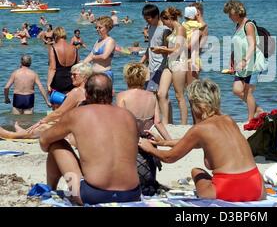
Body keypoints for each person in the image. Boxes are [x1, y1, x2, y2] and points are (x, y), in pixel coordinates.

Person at [138, 79, 266, 202]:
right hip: (258, 188)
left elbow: (169, 158)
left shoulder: (200, 129)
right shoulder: (228, 120)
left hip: (227, 190)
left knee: (196, 172)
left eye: (192, 104)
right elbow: (199, 143)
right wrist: (164, 143)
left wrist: (149, 148)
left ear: (198, 105)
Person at [39, 73, 141, 205]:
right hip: (132, 194)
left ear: (86, 94)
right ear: (112, 93)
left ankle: (51, 188)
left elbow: (44, 141)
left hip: (93, 195)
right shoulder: (129, 116)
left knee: (56, 142)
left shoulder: (78, 114)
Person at [0, 63, 92, 139]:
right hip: (81, 129)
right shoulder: (90, 91)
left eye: (74, 75)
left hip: (75, 132)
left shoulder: (76, 92)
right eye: (71, 74)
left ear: (84, 77)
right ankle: (24, 132)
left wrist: (40, 122)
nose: (71, 77)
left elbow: (59, 112)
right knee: (49, 124)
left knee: (43, 127)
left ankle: (12, 135)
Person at [223, 0, 267, 122]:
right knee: (237, 90)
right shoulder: (238, 26)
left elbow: (252, 45)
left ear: (237, 12)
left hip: (252, 63)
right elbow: (237, 45)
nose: (229, 17)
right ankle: (258, 110)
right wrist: (231, 61)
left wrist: (244, 60)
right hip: (241, 65)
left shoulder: (248, 25)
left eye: (230, 14)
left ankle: (250, 119)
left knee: (247, 93)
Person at [152, 7, 188, 125]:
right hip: (169, 63)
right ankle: (166, 122)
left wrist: (162, 50)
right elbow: (171, 49)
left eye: (164, 21)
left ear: (169, 19)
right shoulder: (172, 30)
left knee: (179, 95)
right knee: (161, 93)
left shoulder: (181, 29)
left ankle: (183, 124)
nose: (164, 24)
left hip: (179, 63)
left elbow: (177, 50)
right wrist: (163, 49)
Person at [116, 62, 171, 140]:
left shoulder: (122, 96)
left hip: (131, 139)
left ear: (127, 78)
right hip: (147, 139)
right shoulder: (152, 96)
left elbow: (120, 121)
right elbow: (158, 122)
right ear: (144, 79)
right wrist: (169, 140)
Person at [139, 4, 171, 125]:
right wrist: (142, 61)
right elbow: (149, 47)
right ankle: (165, 120)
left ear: (156, 16)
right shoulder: (150, 27)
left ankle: (160, 121)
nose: (147, 20)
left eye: (149, 18)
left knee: (154, 93)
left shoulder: (165, 30)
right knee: (158, 95)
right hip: (151, 66)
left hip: (160, 66)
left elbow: (169, 49)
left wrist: (161, 51)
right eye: (145, 18)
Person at [47, 27, 79, 95]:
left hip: (57, 82)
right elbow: (77, 67)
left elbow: (52, 68)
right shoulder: (74, 48)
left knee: (57, 104)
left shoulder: (53, 48)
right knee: (70, 104)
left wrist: (48, 84)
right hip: (71, 81)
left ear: (55, 36)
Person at [83, 16, 116, 82]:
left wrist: (93, 57)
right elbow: (90, 55)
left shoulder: (110, 41)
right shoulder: (98, 41)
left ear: (107, 28)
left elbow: (104, 56)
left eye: (100, 27)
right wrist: (81, 64)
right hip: (94, 74)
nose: (97, 29)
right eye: (96, 27)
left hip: (104, 74)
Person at [183, 4, 208, 85]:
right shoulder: (191, 26)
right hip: (188, 60)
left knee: (192, 91)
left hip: (192, 61)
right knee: (188, 90)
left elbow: (198, 46)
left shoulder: (201, 28)